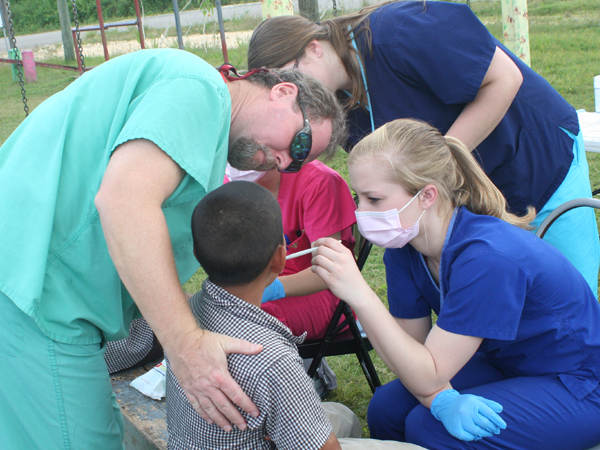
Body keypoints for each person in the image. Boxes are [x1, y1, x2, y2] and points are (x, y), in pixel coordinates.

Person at [0, 48, 346, 449]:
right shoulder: (197, 89)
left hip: (41, 296)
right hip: (34, 296)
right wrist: (185, 345)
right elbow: (124, 200)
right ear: (283, 92)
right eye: (299, 144)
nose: (284, 162)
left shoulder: (203, 117)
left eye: (296, 164)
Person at [247, 0, 600, 294]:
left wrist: (436, 163)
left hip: (538, 161)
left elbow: (505, 78)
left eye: (292, 78)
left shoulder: (400, 30)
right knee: (501, 299)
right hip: (472, 194)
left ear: (313, 47)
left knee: (572, 298)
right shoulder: (338, 107)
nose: (295, 95)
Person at [310, 118, 600, 449]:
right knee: (387, 408)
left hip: (580, 384)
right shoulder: (405, 249)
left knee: (429, 428)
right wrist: (439, 398)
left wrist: (359, 295)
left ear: (427, 195)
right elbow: (410, 353)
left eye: (373, 199)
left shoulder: (487, 257)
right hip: (510, 365)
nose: (360, 212)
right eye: (357, 196)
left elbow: (428, 373)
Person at [167, 179, 425, 450]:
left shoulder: (181, 318)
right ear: (280, 259)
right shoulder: (273, 359)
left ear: (197, 254)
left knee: (343, 416)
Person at [227, 160, 357, 340]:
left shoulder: (318, 182)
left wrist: (269, 289)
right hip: (257, 287)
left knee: (244, 318)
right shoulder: (230, 184)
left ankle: (294, 366)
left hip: (324, 294)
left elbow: (330, 272)